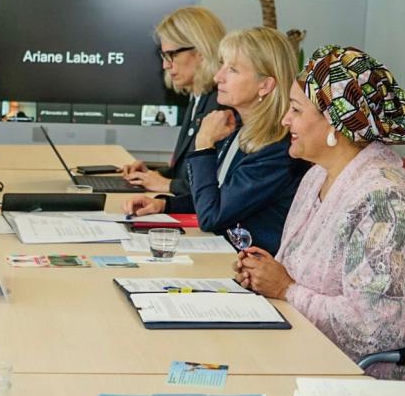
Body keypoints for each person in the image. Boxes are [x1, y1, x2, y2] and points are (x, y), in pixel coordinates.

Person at [235, 45, 405, 377]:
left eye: (295, 110)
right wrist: (261, 274)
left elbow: (376, 328)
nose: (284, 120)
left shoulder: (385, 201)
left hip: (357, 381)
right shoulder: (316, 176)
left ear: (335, 123)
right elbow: (293, 272)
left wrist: (284, 289)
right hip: (300, 352)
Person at [124, 27, 308, 255]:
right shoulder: (240, 127)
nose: (217, 76)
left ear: (265, 85)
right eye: (221, 65)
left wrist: (204, 145)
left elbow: (212, 215)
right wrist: (165, 205)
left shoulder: (276, 148)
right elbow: (219, 193)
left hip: (250, 270)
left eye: (232, 70)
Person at [120, 6, 226, 193]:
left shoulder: (221, 105)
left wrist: (166, 184)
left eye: (172, 54)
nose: (165, 65)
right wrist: (153, 174)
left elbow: (215, 184)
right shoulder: (199, 96)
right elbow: (187, 173)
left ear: (201, 51)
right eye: (163, 55)